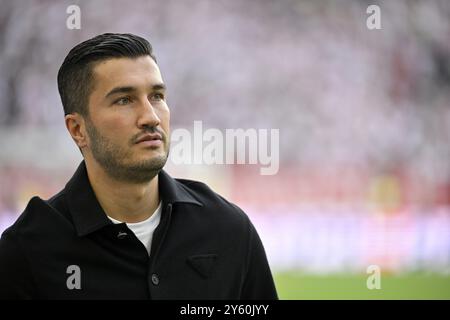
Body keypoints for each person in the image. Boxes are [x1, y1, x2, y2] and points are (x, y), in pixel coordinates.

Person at [0, 33, 278, 300]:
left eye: (156, 96)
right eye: (124, 100)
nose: (150, 117)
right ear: (78, 129)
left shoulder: (227, 228)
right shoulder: (28, 251)